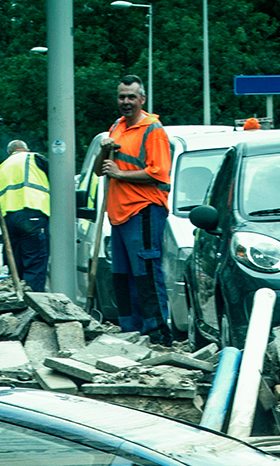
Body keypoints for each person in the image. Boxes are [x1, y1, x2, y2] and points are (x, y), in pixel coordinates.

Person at [93, 76, 171, 342]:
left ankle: (156, 333)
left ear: (142, 99)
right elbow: (100, 171)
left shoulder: (153, 130)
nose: (126, 102)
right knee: (122, 275)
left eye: (131, 97)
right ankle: (130, 331)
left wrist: (120, 174)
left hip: (144, 210)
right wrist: (103, 152)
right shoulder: (116, 127)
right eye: (122, 97)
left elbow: (159, 173)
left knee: (146, 272)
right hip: (119, 214)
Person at [0, 139, 51, 293]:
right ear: (26, 149)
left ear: (9, 153)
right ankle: (33, 300)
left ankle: (18, 297)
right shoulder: (34, 158)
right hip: (32, 213)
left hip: (9, 220)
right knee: (35, 262)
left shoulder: (0, 168)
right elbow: (58, 179)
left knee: (15, 263)